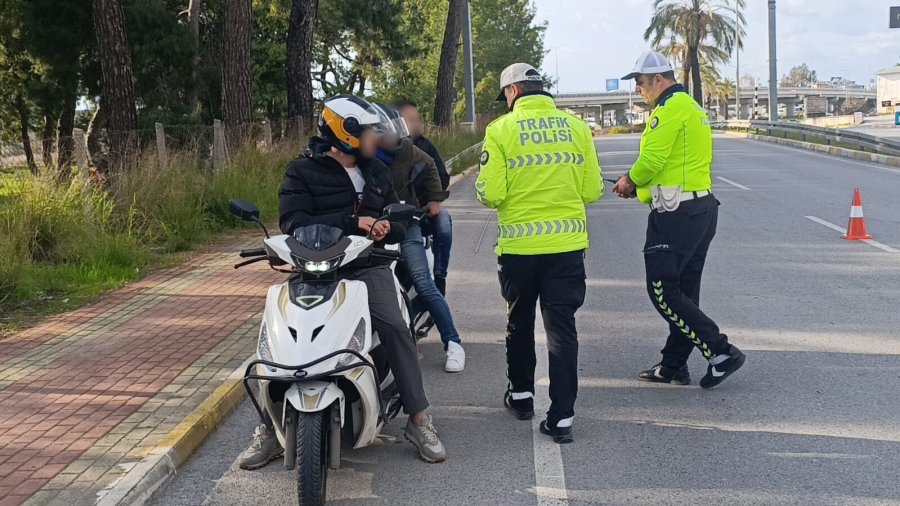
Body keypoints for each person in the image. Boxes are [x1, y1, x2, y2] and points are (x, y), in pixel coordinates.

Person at [239, 96, 447, 469]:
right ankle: (268, 430)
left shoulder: (377, 172)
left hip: (366, 266)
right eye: (368, 131)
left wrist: (388, 226)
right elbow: (293, 222)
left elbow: (396, 217)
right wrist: (355, 223)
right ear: (345, 132)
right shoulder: (302, 171)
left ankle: (418, 419)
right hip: (312, 267)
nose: (375, 138)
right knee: (276, 333)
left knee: (396, 327)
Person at [476, 63, 602, 444]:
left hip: (519, 249)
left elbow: (491, 193)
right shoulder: (577, 128)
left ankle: (521, 397)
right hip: (566, 248)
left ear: (513, 92)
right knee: (561, 330)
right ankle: (562, 417)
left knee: (519, 321)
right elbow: (592, 190)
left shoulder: (500, 130)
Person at [614, 51, 745, 389]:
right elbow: (673, 163)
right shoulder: (692, 107)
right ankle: (673, 365)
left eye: (641, 84)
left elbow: (652, 159)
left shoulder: (669, 110)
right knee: (684, 291)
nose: (640, 91)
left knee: (662, 289)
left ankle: (720, 351)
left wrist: (629, 180)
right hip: (700, 208)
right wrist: (639, 189)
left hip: (677, 214)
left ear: (659, 80)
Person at [373, 104, 466, 373]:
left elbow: (431, 169)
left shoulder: (412, 152)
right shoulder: (364, 156)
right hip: (372, 229)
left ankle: (453, 343)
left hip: (407, 225)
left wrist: (435, 198)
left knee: (424, 282)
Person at [394, 100, 454, 297]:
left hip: (422, 211)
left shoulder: (425, 146)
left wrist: (432, 199)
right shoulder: (384, 148)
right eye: (411, 120)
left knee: (444, 222)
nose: (417, 124)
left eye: (417, 119)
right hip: (391, 215)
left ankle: (440, 276)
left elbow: (442, 177)